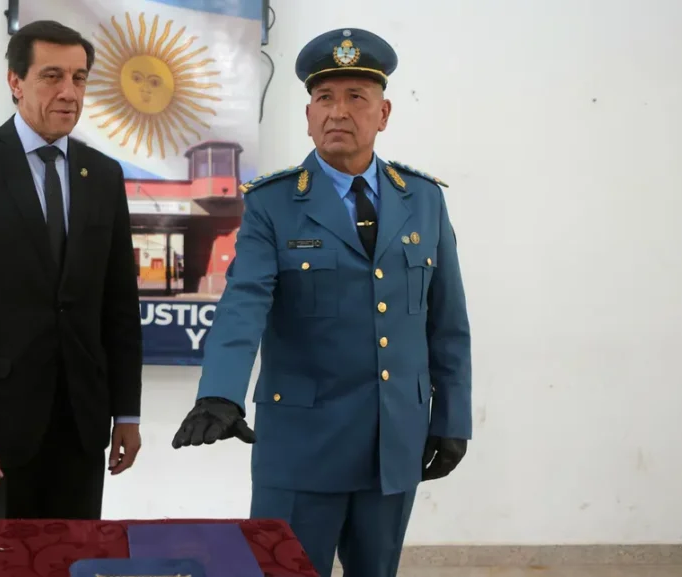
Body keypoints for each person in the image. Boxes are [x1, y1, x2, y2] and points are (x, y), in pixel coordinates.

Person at [170, 27, 472, 577]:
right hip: (301, 446)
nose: (339, 112)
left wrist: (452, 416)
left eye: (356, 97)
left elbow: (448, 323)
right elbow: (244, 302)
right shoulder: (274, 203)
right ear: (308, 116)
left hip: (393, 442)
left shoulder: (424, 200)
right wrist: (220, 392)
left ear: (383, 114)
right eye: (325, 98)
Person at [0, 20, 143, 521]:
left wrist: (127, 412)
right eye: (52, 76)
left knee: (76, 557)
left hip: (81, 428)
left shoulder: (103, 176)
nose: (69, 93)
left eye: (79, 78)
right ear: (15, 82)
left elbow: (119, 307)